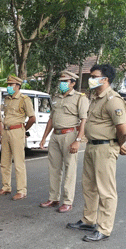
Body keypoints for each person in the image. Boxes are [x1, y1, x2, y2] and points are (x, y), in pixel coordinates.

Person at [67, 64, 126, 242]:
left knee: (106, 190)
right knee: (89, 186)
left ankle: (104, 228)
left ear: (105, 79)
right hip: (92, 146)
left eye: (94, 76)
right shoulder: (95, 98)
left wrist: (117, 144)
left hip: (105, 148)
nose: (90, 79)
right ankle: (89, 220)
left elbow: (123, 130)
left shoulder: (113, 100)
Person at [39, 71, 89, 213]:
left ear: (72, 83)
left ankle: (67, 201)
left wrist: (78, 140)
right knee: (54, 168)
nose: (62, 83)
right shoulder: (56, 97)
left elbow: (84, 120)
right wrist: (44, 138)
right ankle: (53, 198)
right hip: (55, 135)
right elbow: (51, 119)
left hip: (70, 135)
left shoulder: (80, 98)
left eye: (65, 81)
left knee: (69, 169)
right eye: (61, 81)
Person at [0, 75, 36, 200]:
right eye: (8, 84)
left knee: (18, 162)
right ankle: (6, 187)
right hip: (6, 131)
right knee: (4, 161)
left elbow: (32, 118)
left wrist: (23, 130)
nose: (8, 87)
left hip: (17, 130)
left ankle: (21, 190)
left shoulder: (24, 99)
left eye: (11, 85)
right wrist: (2, 133)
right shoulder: (7, 99)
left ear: (18, 86)